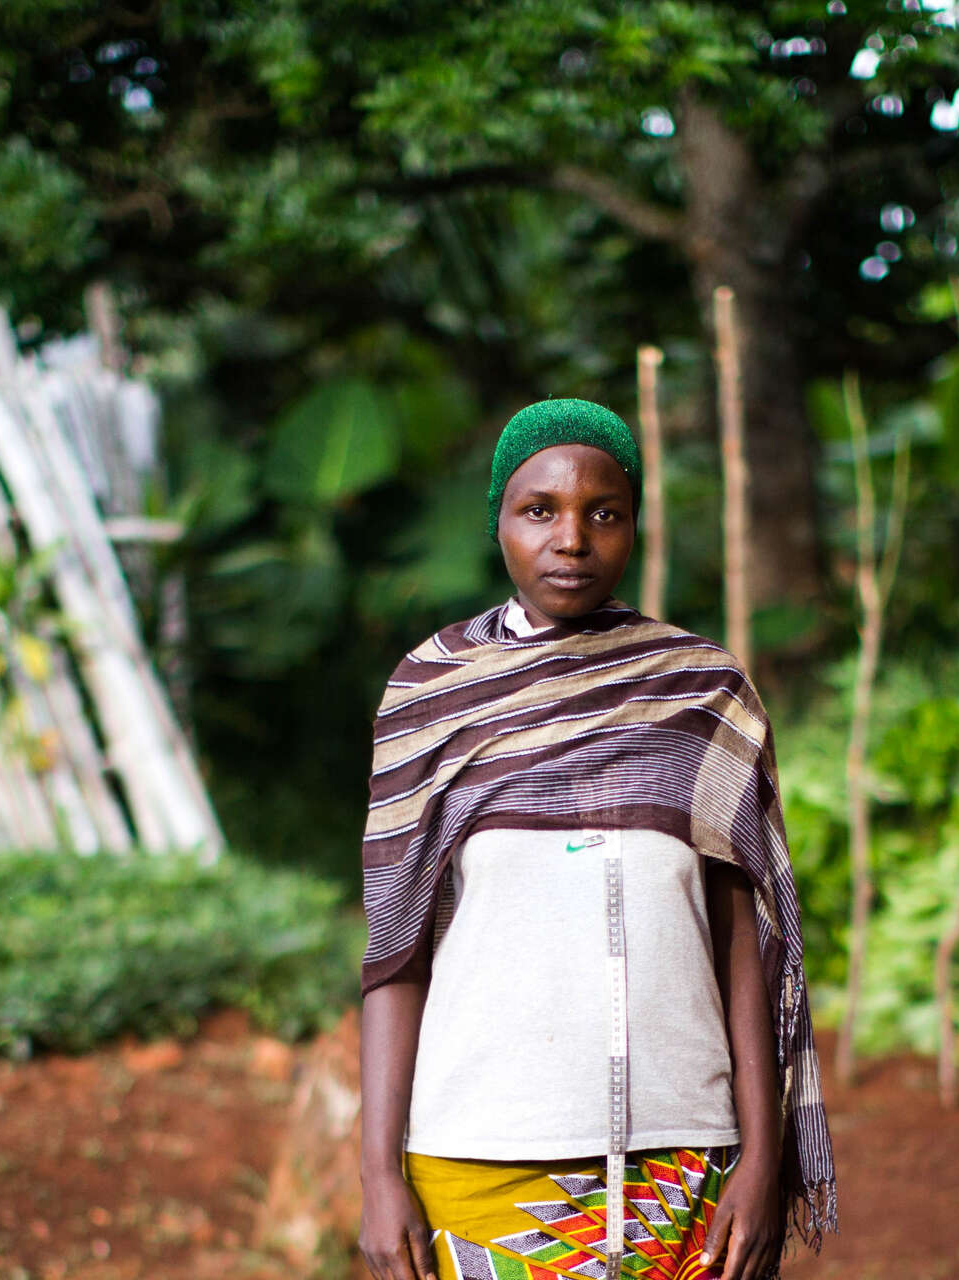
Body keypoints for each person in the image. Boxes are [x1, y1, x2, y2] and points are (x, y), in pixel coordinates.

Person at [357, 399, 835, 1280]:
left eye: (602, 512)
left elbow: (745, 946)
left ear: (634, 527)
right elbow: (396, 956)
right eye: (539, 510)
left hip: (686, 1163)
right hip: (482, 1156)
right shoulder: (433, 695)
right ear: (498, 520)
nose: (571, 538)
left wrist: (763, 1161)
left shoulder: (701, 693)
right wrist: (376, 1174)